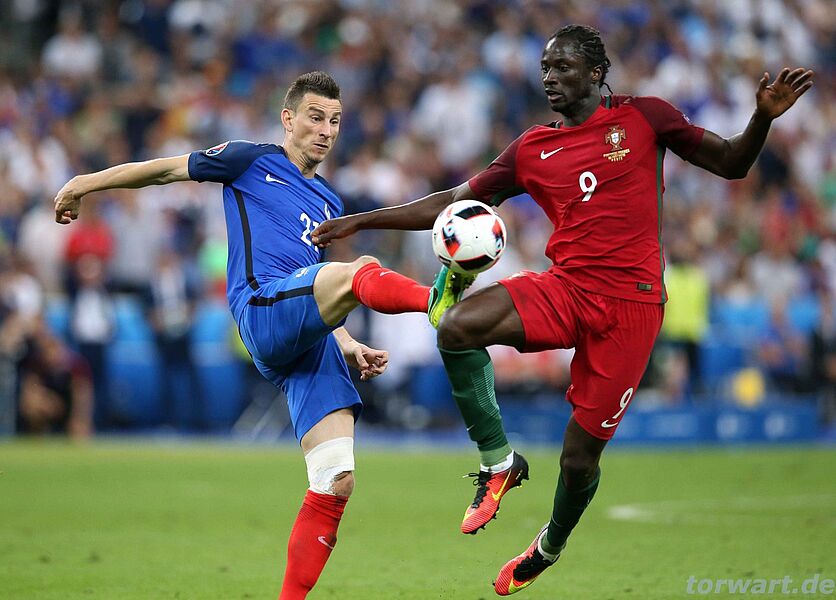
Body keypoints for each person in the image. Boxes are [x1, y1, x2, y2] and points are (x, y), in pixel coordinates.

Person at [311, 25, 814, 596]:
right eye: (546, 68)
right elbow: (453, 201)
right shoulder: (531, 148)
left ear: (596, 73)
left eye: (563, 67)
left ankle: (549, 545)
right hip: (567, 288)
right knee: (456, 327)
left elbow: (732, 163)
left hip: (632, 307)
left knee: (578, 460)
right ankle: (499, 462)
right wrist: (362, 220)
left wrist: (762, 118)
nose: (550, 77)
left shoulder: (645, 117)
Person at [53, 71, 454, 599]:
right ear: (288, 118)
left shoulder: (330, 202)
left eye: (335, 121)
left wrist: (347, 343)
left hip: (306, 334)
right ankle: (438, 303)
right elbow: (164, 170)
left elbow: (314, 287)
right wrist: (83, 183)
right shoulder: (249, 159)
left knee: (336, 480)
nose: (326, 130)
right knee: (362, 267)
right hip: (261, 306)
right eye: (315, 117)